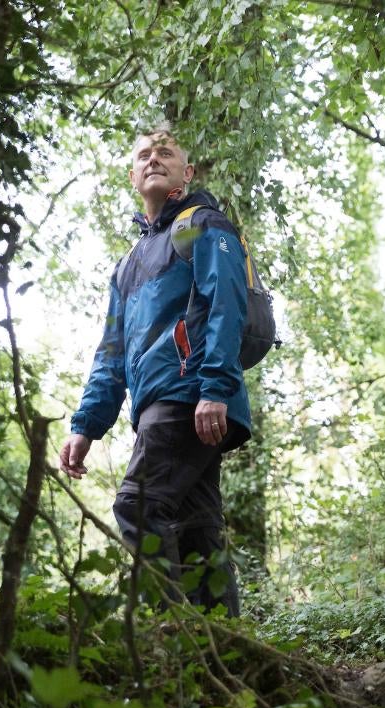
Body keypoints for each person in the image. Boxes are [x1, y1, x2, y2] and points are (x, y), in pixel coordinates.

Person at [58, 126, 251, 617]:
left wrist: (215, 390)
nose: (153, 160)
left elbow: (227, 306)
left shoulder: (200, 225)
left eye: (165, 154)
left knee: (138, 505)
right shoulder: (128, 265)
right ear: (132, 175)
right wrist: (86, 426)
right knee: (198, 528)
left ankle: (171, 634)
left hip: (188, 395)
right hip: (157, 404)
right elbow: (112, 353)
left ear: (186, 173)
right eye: (144, 155)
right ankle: (228, 651)